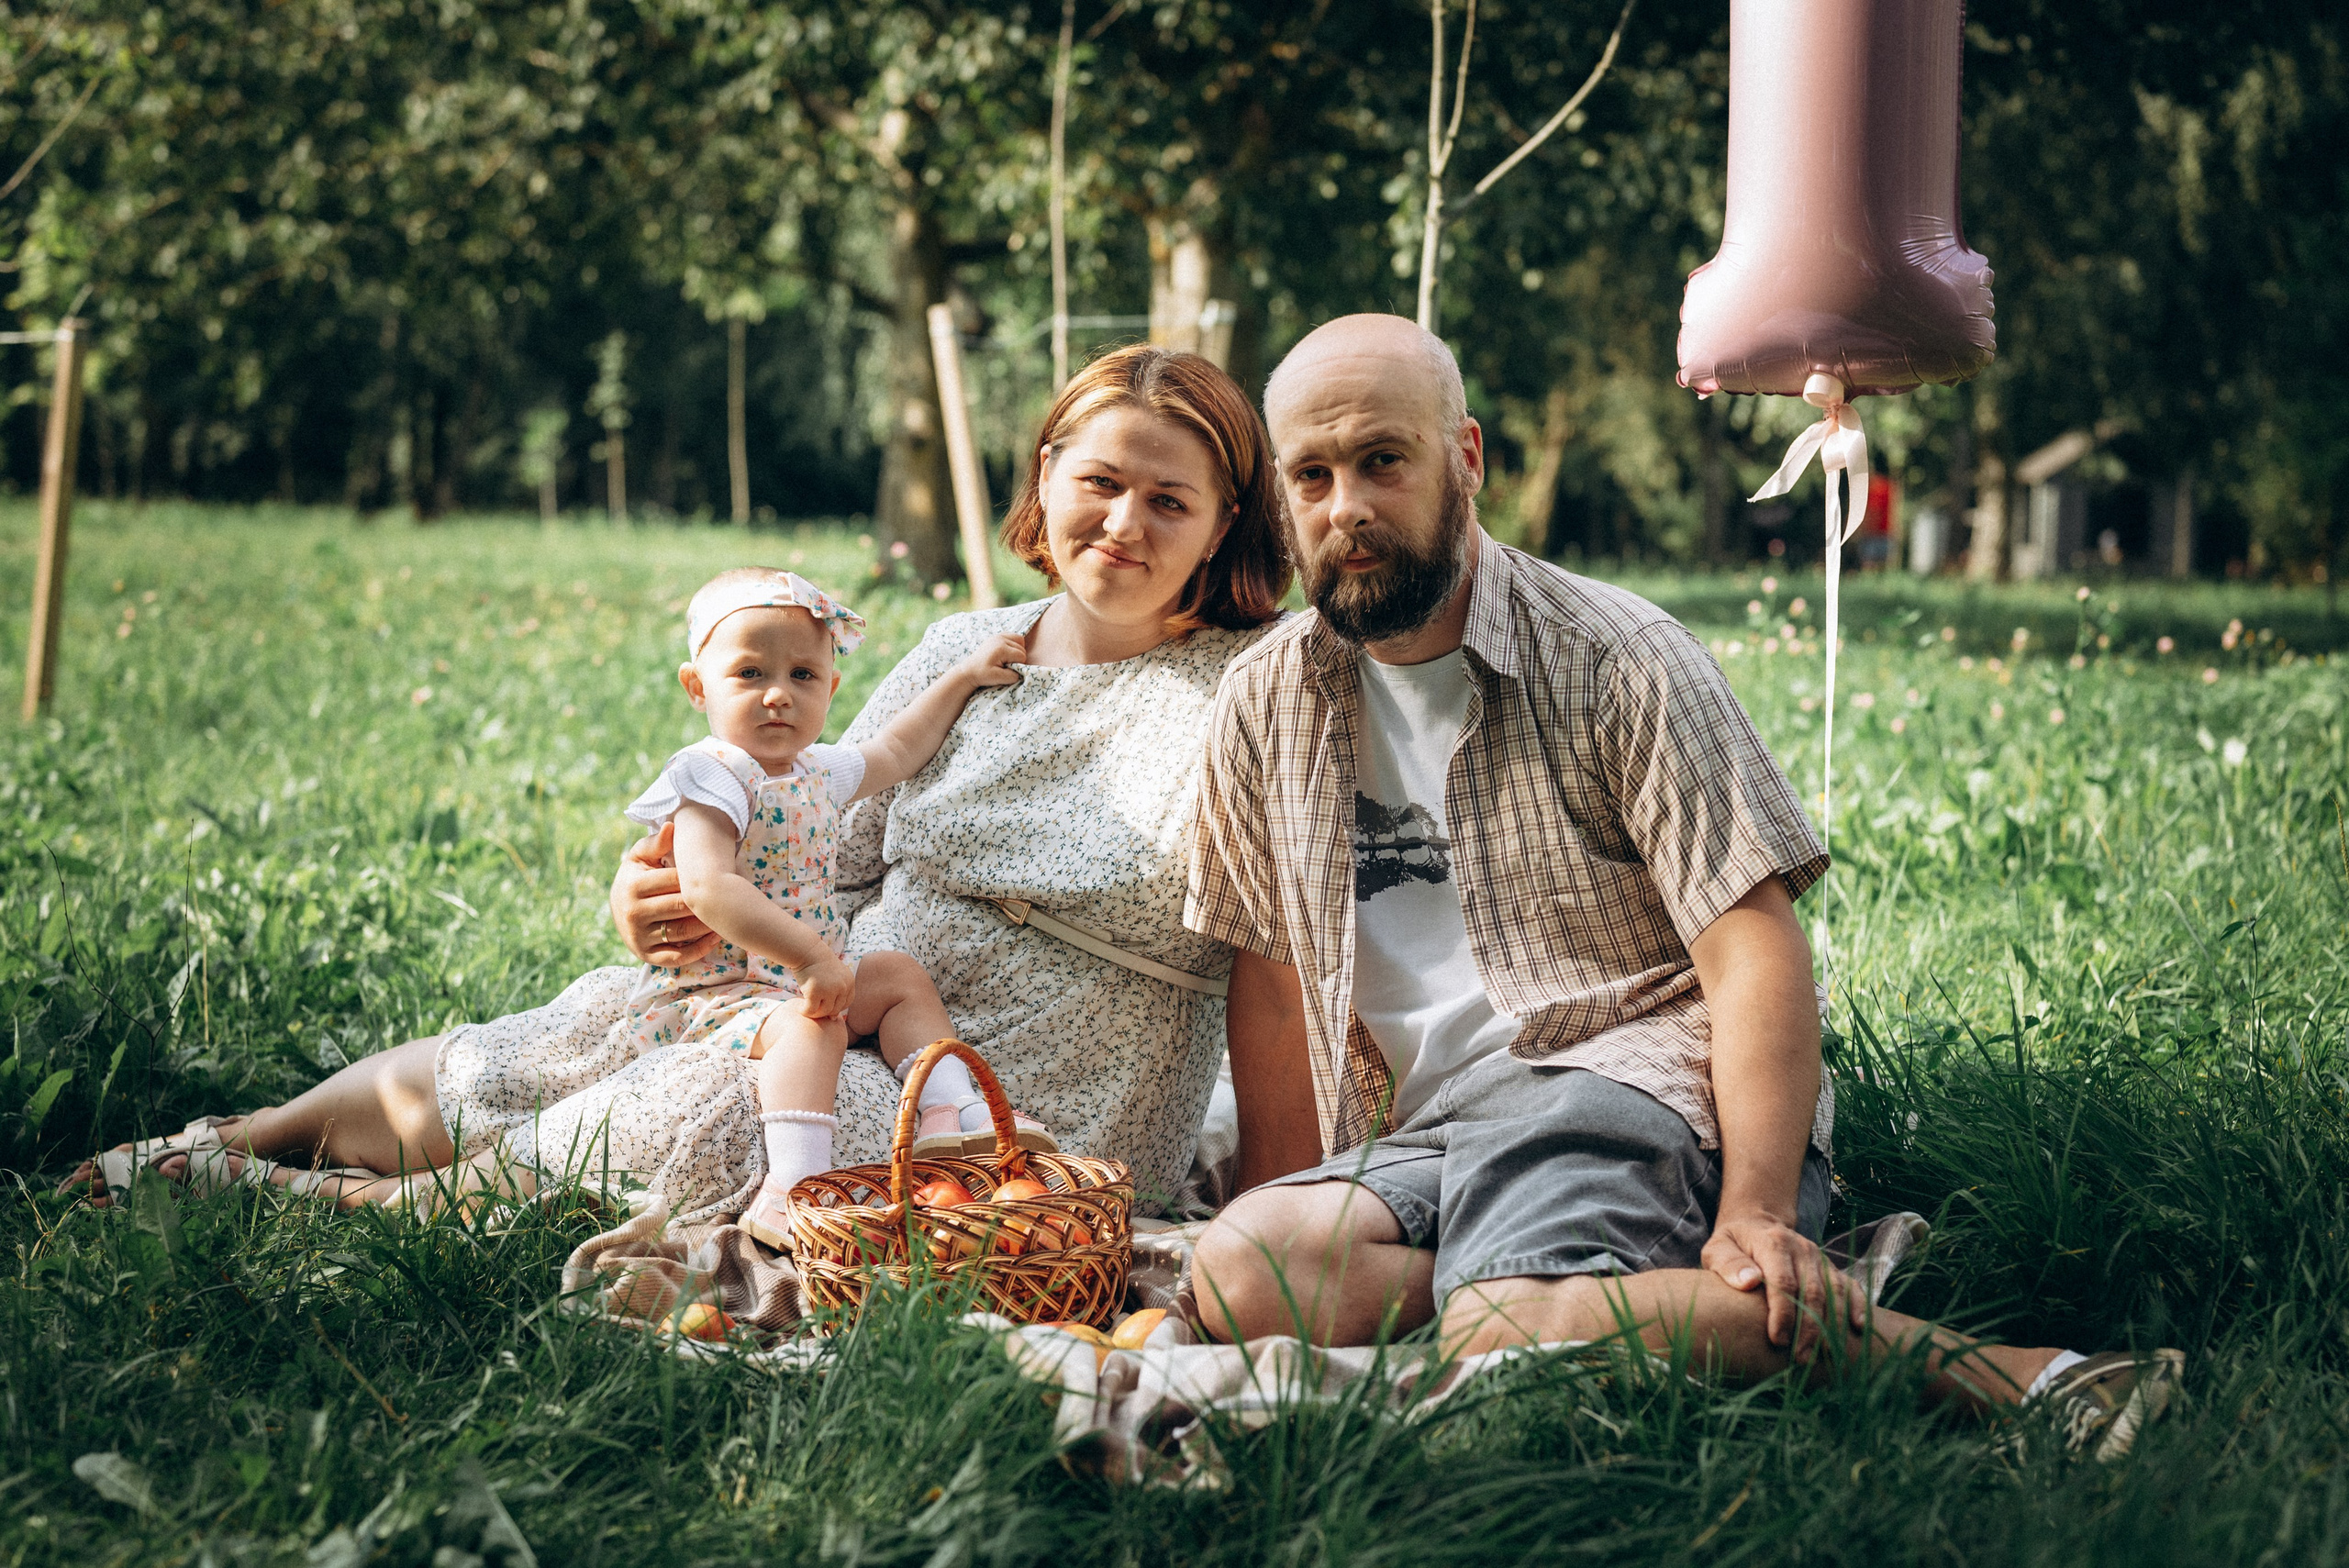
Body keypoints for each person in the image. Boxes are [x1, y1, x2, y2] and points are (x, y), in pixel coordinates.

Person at [1182, 314, 2179, 1459]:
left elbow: (1749, 948)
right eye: (1310, 473)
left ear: (1466, 456)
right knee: (1245, 1270)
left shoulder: (1617, 655)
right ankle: (1572, 1310)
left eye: (1381, 460)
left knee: (1507, 1332)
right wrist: (1285, 1189)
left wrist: (1755, 1204)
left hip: (1617, 1071)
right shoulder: (1262, 700)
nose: (1344, 506)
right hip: (1428, 1128)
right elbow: (1268, 974)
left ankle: (2023, 1379)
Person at [66, 344, 1297, 1225]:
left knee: (728, 1091)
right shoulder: (964, 650)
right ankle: (242, 1135)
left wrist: (1275, 1199)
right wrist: (657, 891)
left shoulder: (1255, 690)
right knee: (600, 1021)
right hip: (842, 989)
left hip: (1037, 1095)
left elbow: (1284, 974)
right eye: (1100, 482)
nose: (1125, 521)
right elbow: (821, 837)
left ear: (1225, 518)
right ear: (1045, 478)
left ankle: (367, 1215)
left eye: (1169, 499)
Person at [620, 566, 1036, 1246]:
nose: (779, 695)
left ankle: (950, 1114)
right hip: (720, 992)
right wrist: (811, 956)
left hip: (802, 976)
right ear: (698, 687)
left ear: (831, 687)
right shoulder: (712, 775)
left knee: (899, 976)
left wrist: (963, 676)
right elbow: (707, 887)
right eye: (750, 674)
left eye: (803, 676)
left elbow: (898, 747)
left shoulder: (817, 770)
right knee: (815, 1029)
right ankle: (793, 1189)